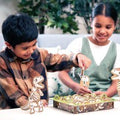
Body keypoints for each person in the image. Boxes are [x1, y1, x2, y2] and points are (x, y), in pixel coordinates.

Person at [0, 13, 91, 109]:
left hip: (40, 110)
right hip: (13, 112)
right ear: (9, 45)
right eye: (25, 48)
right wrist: (35, 104)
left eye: (34, 44)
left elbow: (58, 60)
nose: (31, 50)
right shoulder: (2, 61)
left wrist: (77, 58)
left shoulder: (38, 53)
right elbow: (14, 95)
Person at [58, 2, 120, 97]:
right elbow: (62, 73)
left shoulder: (117, 49)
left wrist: (106, 94)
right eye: (98, 26)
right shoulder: (78, 44)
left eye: (108, 27)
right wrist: (75, 87)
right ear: (91, 22)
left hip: (107, 98)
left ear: (115, 25)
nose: (102, 31)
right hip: (79, 97)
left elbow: (116, 82)